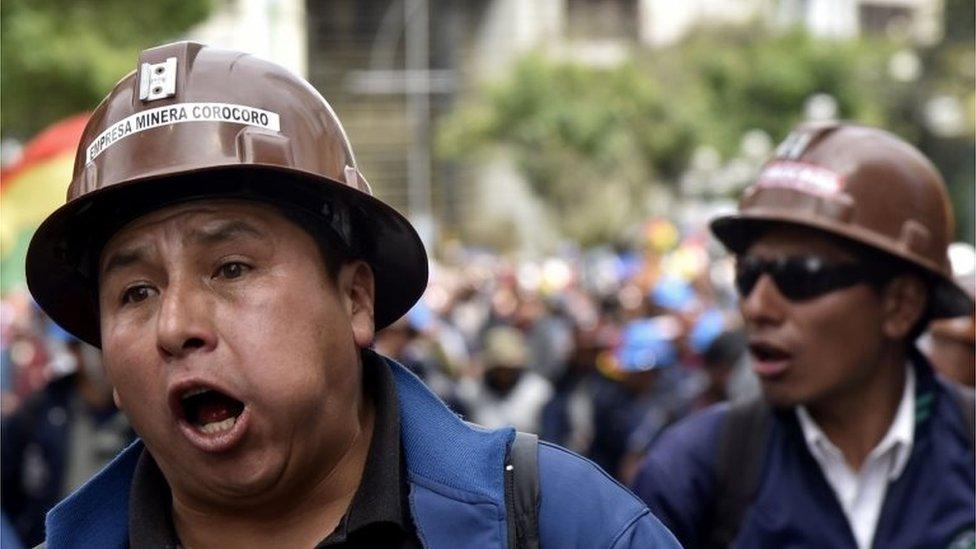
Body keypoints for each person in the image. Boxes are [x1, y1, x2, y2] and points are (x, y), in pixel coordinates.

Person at [25, 41, 679, 548]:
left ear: (355, 299)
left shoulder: (563, 525)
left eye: (230, 268)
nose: (176, 324)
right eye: (136, 291)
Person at [631, 121, 976, 548]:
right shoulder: (690, 475)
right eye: (749, 273)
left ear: (900, 305)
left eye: (802, 275)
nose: (758, 306)